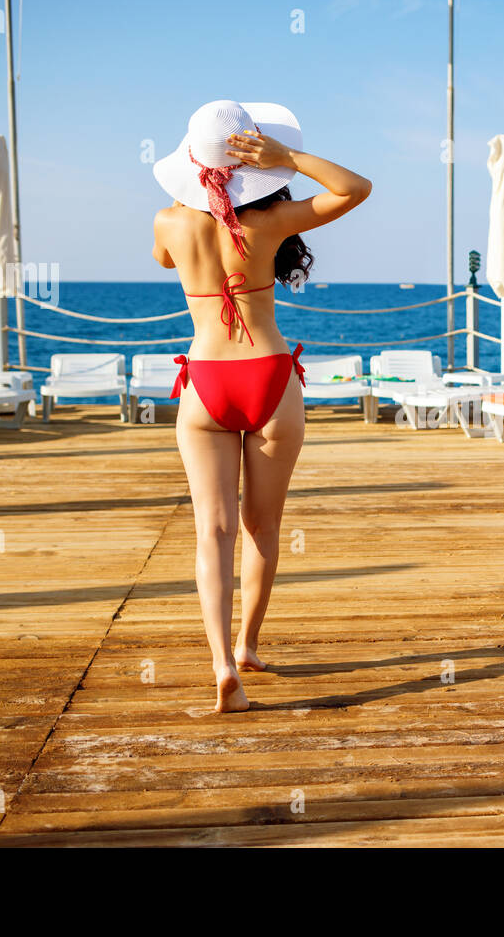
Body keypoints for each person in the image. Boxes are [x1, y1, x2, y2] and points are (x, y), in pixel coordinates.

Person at [152, 100, 370, 711]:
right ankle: (248, 644)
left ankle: (223, 665)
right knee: (261, 528)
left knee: (211, 532)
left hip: (205, 385)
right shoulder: (270, 224)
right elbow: (356, 188)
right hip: (270, 377)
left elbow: (163, 259)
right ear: (256, 163)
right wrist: (288, 160)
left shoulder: (169, 222)